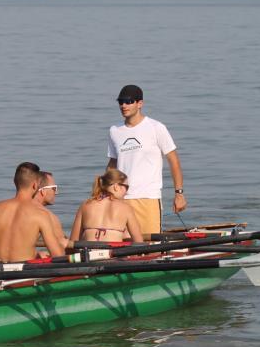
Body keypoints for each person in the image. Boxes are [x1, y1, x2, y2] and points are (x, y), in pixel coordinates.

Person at [107, 85, 186, 238]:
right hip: (121, 199)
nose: (124, 105)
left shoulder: (156, 127)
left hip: (148, 198)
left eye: (129, 101)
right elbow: (112, 165)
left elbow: (174, 161)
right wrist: (104, 192)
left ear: (140, 104)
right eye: (121, 102)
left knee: (150, 245)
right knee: (123, 247)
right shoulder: (114, 131)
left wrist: (179, 194)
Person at [0, 162, 66, 261]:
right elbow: (57, 255)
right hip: (26, 274)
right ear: (35, 185)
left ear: (14, 182)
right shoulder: (41, 214)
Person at [70, 170, 145, 243]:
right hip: (114, 254)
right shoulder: (126, 208)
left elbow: (73, 241)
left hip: (88, 253)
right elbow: (138, 241)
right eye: (126, 187)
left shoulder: (85, 205)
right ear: (116, 186)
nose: (127, 192)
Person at [33, 171, 69, 252]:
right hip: (24, 263)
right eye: (54, 188)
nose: (56, 193)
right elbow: (62, 251)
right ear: (43, 191)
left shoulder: (11, 208)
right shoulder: (47, 216)